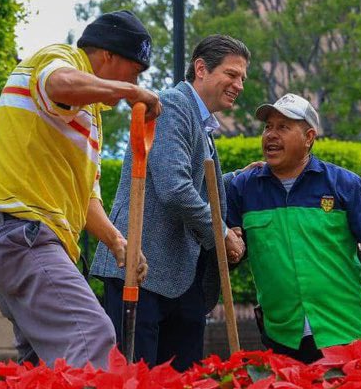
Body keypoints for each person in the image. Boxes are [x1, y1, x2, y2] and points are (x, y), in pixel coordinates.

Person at [0, 10, 162, 369]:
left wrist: (118, 243)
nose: (136, 81)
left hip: (25, 240)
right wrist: (129, 91)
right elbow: (58, 83)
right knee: (92, 339)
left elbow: (86, 198)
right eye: (135, 71)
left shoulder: (88, 113)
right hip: (24, 235)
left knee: (44, 370)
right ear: (107, 55)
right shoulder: (57, 58)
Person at [91, 34, 250, 371]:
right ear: (201, 69)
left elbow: (190, 181)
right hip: (140, 265)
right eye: (232, 74)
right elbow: (175, 188)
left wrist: (236, 178)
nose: (239, 85)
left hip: (174, 275)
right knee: (139, 383)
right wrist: (222, 234)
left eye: (242, 78)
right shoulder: (173, 105)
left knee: (181, 383)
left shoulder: (200, 121)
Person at [225, 93, 361, 363]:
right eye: (268, 127)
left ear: (309, 137)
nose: (271, 135)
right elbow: (228, 248)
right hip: (281, 336)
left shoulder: (344, 184)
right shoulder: (243, 188)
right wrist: (231, 246)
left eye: (283, 127)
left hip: (344, 332)